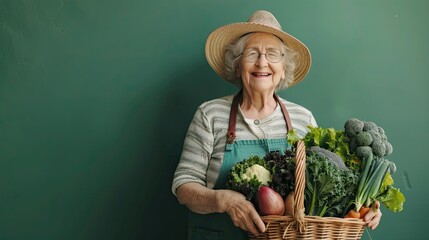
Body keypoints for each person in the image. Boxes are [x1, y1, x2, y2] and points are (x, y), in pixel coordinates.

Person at [171, 10, 382, 239]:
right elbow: (184, 187)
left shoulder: (303, 120)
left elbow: (329, 187)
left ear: (283, 69)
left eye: (272, 54)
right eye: (252, 53)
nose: (262, 62)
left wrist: (365, 207)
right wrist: (224, 200)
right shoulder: (210, 114)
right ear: (238, 64)